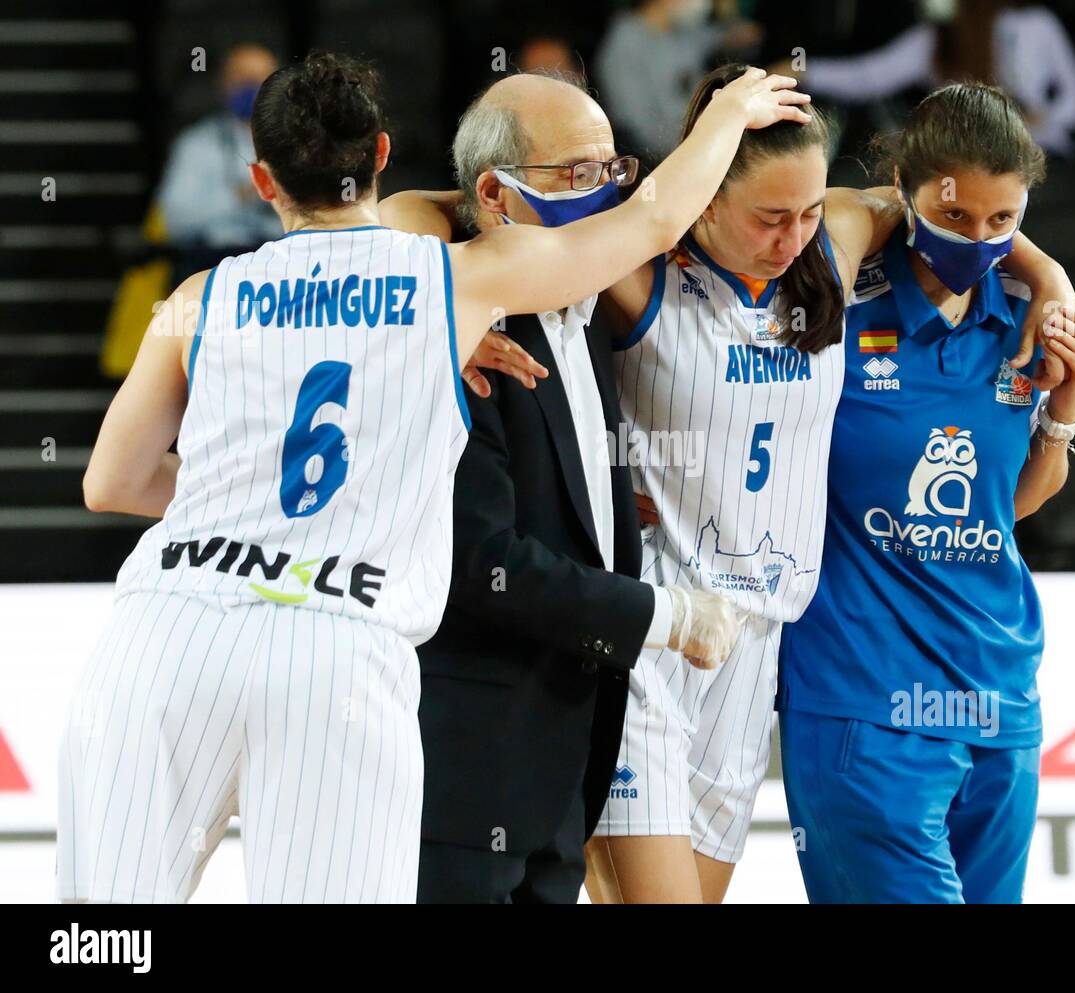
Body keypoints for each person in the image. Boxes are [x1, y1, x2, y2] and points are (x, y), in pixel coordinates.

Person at [55, 53, 811, 904]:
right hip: (336, 642)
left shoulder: (200, 293)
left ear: (261, 177)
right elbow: (657, 217)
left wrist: (248, 510)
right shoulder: (457, 283)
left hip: (169, 628)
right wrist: (731, 111)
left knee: (102, 931)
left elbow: (112, 481)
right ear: (381, 155)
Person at [382, 63, 1075, 904]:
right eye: (770, 218)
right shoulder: (636, 267)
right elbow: (431, 208)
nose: (792, 238)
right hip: (651, 633)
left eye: (811, 212)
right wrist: (428, 296)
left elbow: (950, 209)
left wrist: (1051, 278)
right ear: (704, 198)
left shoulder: (832, 249)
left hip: (755, 647)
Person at [380, 70, 740, 904]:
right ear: (495, 195)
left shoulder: (583, 311)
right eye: (574, 175)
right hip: (466, 766)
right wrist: (663, 614)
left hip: (563, 763)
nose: (605, 195)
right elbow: (481, 561)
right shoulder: (456, 333)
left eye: (611, 170)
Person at [777, 82, 1075, 903]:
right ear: (906, 193)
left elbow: (1014, 505)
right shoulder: (836, 299)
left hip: (1000, 705)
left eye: (1004, 222)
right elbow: (841, 206)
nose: (981, 238)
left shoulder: (1023, 314)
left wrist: (1063, 406)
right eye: (955, 217)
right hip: (865, 704)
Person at [777, 0, 1075, 158]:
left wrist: (1041, 121)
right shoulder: (938, 40)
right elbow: (869, 75)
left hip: (1041, 153)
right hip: (967, 156)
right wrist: (803, 70)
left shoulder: (1037, 25)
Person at [156, 43, 284, 276]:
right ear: (223, 83)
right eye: (241, 77)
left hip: (282, 265)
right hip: (213, 264)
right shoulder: (195, 144)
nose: (250, 86)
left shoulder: (300, 142)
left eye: (258, 78)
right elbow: (176, 220)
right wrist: (243, 195)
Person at [595, 0, 764, 163]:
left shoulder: (681, 34)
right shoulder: (625, 44)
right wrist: (702, 144)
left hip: (701, 141)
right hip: (667, 160)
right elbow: (639, 128)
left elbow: (723, 36)